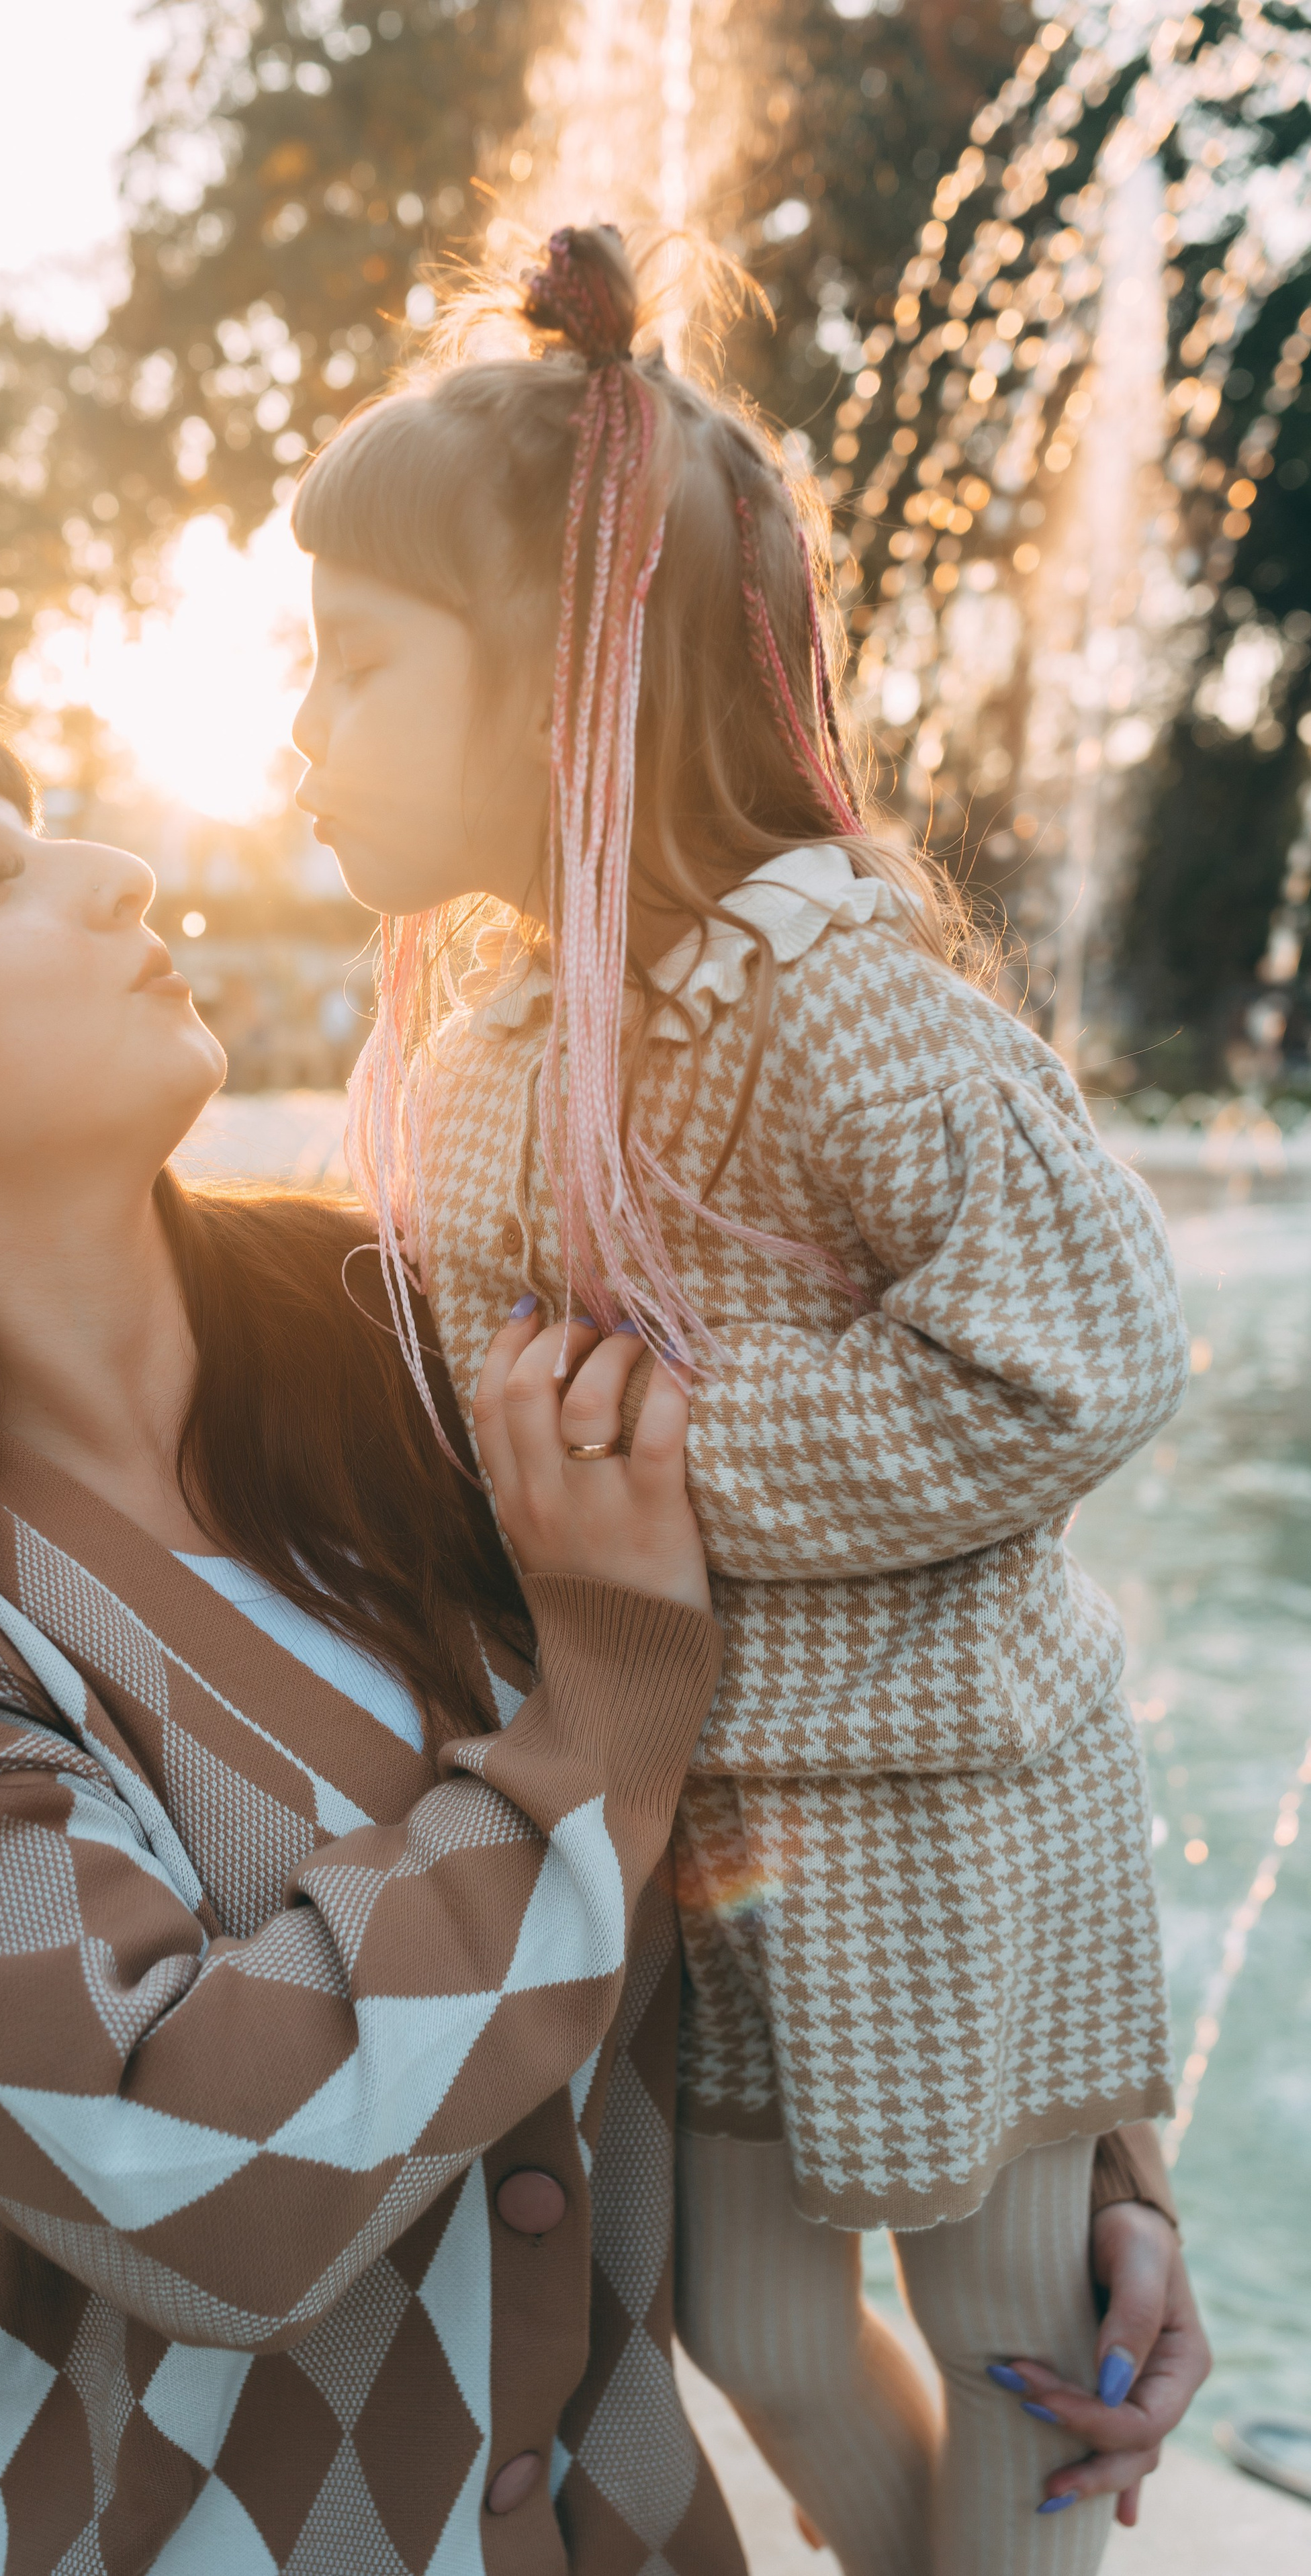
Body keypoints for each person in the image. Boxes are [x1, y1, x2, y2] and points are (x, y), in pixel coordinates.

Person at [0, 684, 738, 2574]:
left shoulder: (421, 1340)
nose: (120, 875)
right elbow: (207, 2182)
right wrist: (595, 1711)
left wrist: (1049, 2156)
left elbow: (855, 1699)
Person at [288, 222, 1204, 2569]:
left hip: (946, 1815)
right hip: (706, 1837)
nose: (300, 730)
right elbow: (441, 1399)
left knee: (1017, 2343)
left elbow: (1082, 1340)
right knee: (756, 2334)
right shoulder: (490, 1055)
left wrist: (665, 1479)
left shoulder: (837, 989)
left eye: (357, 663)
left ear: (565, 686)